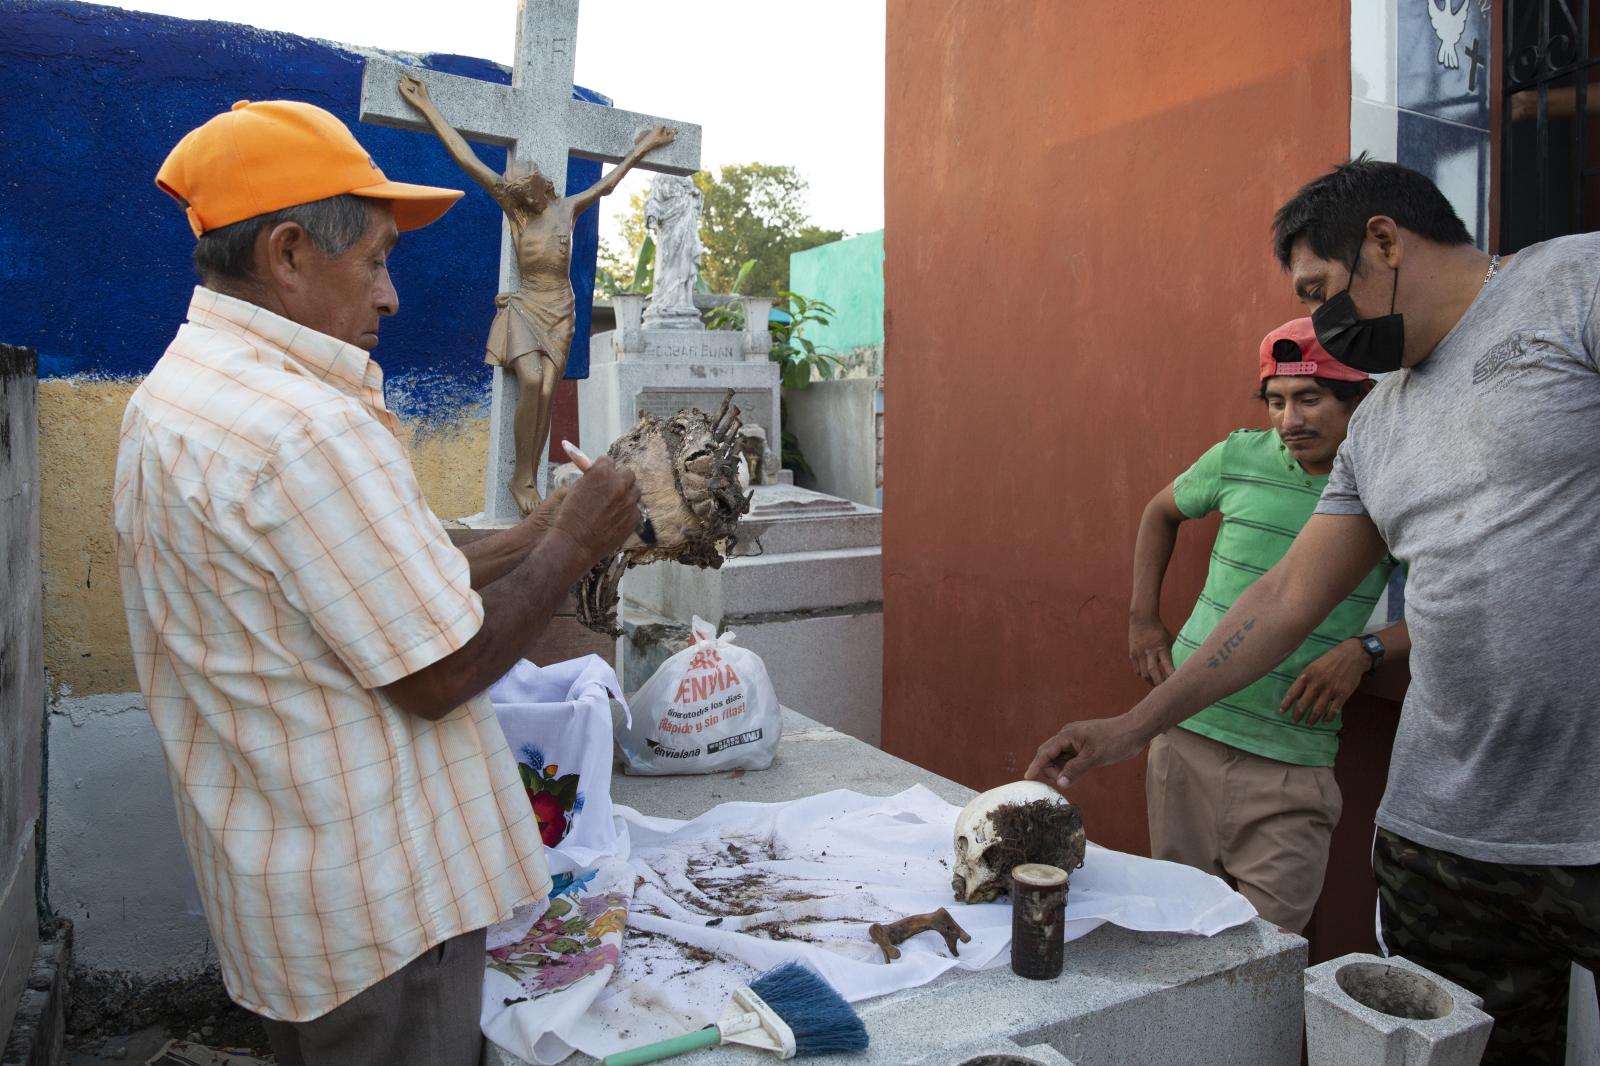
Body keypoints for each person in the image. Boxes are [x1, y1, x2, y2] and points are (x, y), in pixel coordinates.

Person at [1027, 156, 1600, 1065]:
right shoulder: (1376, 430)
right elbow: (1287, 598)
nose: (1327, 324)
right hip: (1443, 842)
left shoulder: (1573, 285)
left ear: (1385, 241)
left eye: (1324, 292)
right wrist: (1132, 727)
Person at [117, 99, 642, 1066]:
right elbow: (439, 672)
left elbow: (374, 575)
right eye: (375, 262)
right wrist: (573, 545)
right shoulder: (308, 427)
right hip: (381, 917)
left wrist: (536, 531)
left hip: (293, 894)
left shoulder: (180, 395)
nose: (391, 296)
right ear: (285, 253)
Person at [1130, 318, 1408, 932]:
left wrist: (1367, 649)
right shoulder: (1238, 456)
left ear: (1357, 398)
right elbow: (1159, 512)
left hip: (1292, 757)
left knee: (1266, 957)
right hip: (1187, 737)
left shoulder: (1390, 488)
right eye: (1277, 401)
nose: (1291, 421)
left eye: (1310, 399)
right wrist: (1143, 618)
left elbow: (1453, 598)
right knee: (1175, 939)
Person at [397, 73, 677, 515]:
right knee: (530, 380)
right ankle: (520, 476)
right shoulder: (518, 214)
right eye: (514, 186)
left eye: (523, 182)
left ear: (541, 184)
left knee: (548, 387)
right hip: (526, 304)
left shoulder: (566, 208)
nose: (517, 187)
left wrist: (643, 148)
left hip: (559, 307)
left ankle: (530, 472)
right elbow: (469, 162)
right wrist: (428, 106)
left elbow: (608, 185)